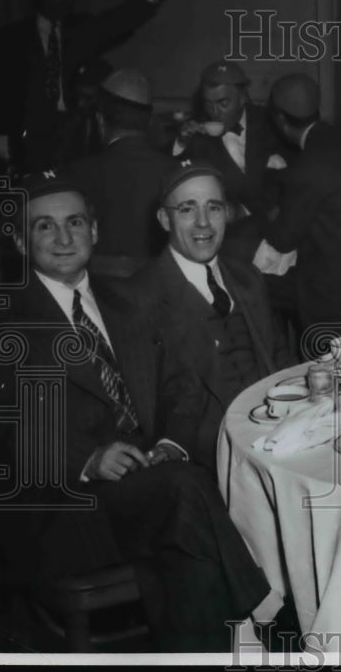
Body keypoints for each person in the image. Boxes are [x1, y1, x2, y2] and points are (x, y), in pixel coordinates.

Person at [0, 171, 277, 651]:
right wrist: (86, 458)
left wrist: (171, 443)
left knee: (188, 529)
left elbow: (180, 387)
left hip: (145, 490)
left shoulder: (123, 301)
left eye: (74, 223)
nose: (64, 238)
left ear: (95, 230)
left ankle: (213, 651)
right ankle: (265, 612)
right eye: (45, 227)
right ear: (21, 239)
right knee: (187, 490)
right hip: (63, 507)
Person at [128, 161, 294, 472]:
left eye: (214, 208)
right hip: (205, 459)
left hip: (277, 440)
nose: (203, 223)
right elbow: (147, 407)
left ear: (227, 214)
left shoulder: (247, 278)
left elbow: (280, 359)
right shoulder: (141, 297)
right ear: (165, 218)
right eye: (187, 209)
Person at [0, 0, 185, 173]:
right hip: (29, 145)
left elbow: (120, 19)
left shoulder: (79, 30)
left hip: (74, 140)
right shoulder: (13, 39)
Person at [263, 71, 341, 348]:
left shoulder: (309, 166)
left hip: (337, 296)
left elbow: (282, 238)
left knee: (248, 281)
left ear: (279, 119)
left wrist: (270, 213)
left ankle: (274, 360)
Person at [173, 60, 293, 263]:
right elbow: (177, 179)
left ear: (243, 98)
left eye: (223, 103)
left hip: (282, 240)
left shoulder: (273, 123)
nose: (215, 112)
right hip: (232, 249)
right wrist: (181, 142)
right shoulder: (197, 136)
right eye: (208, 104)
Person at [65, 68, 178, 278]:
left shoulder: (74, 175)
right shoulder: (178, 175)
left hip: (95, 299)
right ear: (150, 121)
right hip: (160, 300)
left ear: (99, 121)